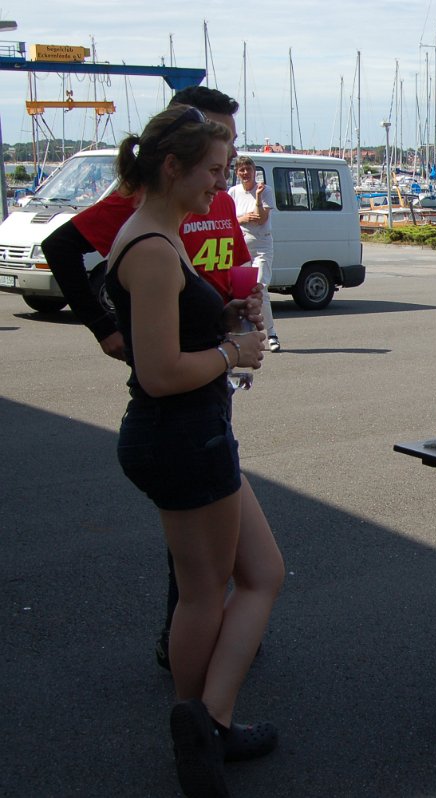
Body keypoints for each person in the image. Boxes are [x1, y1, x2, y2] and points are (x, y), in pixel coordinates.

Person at [107, 104, 284, 797]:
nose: (221, 185)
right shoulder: (150, 248)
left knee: (263, 573)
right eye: (213, 171)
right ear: (171, 167)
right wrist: (231, 349)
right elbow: (159, 372)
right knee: (206, 593)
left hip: (192, 433)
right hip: (181, 435)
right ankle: (202, 731)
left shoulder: (162, 234)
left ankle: (210, 719)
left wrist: (226, 315)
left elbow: (174, 334)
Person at [44, 86, 251, 671]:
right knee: (198, 571)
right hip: (182, 402)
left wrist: (233, 304)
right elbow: (61, 248)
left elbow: (224, 271)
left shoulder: (214, 204)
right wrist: (107, 330)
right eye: (216, 146)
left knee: (231, 564)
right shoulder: (146, 215)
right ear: (176, 151)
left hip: (207, 386)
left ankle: (208, 645)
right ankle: (190, 656)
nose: (225, 164)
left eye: (230, 146)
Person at [228, 155, 280, 351]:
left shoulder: (265, 191)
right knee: (240, 292)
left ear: (254, 171)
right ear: (237, 172)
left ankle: (271, 333)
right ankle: (243, 334)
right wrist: (243, 218)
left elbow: (260, 218)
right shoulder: (233, 192)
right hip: (241, 246)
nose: (245, 173)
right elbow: (231, 219)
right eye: (241, 170)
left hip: (262, 245)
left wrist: (257, 198)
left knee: (260, 287)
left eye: (248, 169)